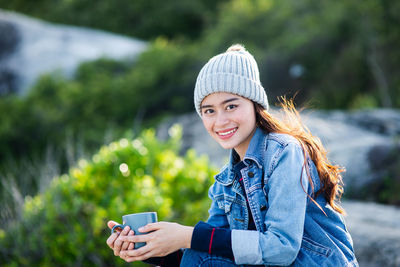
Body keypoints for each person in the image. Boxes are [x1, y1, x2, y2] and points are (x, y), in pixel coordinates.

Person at [106, 44, 359, 266]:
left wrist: (187, 235)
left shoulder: (284, 152)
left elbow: (282, 248)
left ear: (255, 104)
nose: (221, 121)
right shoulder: (226, 181)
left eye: (231, 106)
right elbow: (214, 250)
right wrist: (151, 250)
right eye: (209, 111)